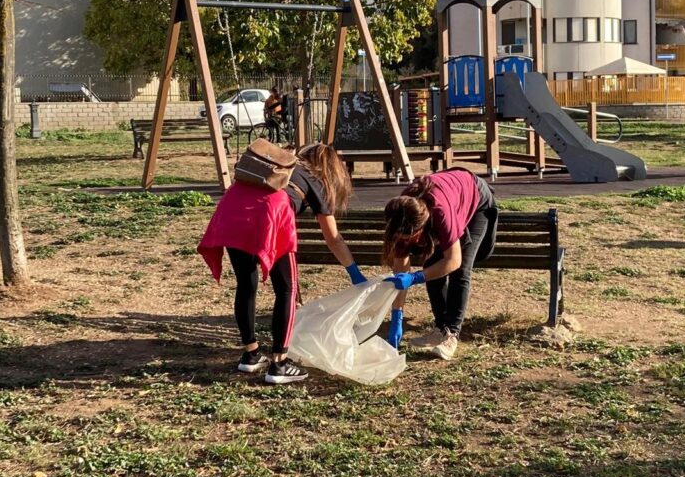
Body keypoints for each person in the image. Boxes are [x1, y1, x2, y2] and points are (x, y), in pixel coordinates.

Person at [198, 143, 366, 385]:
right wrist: (354, 272)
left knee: (245, 284)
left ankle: (251, 354)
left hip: (232, 208)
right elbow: (333, 238)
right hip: (270, 215)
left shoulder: (276, 168)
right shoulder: (314, 177)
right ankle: (279, 363)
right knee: (287, 289)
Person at [382, 168, 498, 360]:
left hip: (476, 199)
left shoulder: (440, 212)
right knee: (432, 265)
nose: (406, 242)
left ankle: (451, 334)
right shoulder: (401, 215)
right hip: (448, 196)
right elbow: (400, 269)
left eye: (410, 238)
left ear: (421, 228)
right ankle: (440, 329)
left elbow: (453, 260)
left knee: (461, 269)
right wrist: (397, 317)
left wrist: (415, 277)